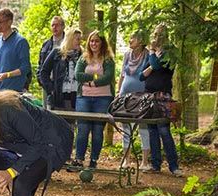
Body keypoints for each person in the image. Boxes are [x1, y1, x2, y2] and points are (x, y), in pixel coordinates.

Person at [140, 24, 183, 177]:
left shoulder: (169, 52)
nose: (157, 38)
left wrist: (152, 55)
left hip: (163, 96)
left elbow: (157, 66)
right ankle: (155, 164)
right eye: (156, 34)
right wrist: (151, 64)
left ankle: (174, 166)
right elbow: (141, 75)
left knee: (164, 130)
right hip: (149, 96)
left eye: (160, 35)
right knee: (152, 130)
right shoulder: (153, 55)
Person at [72, 30, 115, 169]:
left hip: (103, 98)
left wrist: (91, 80)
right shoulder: (83, 58)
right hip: (83, 97)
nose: (93, 43)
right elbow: (78, 75)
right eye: (91, 41)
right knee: (83, 129)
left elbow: (108, 77)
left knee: (97, 131)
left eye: (96, 41)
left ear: (102, 43)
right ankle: (79, 159)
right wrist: (96, 77)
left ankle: (94, 160)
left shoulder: (108, 59)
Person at [117, 31, 152, 170]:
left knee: (143, 127)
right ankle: (126, 160)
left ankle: (144, 162)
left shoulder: (148, 55)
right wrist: (119, 92)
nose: (130, 39)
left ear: (141, 40)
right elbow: (122, 74)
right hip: (125, 95)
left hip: (142, 96)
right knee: (126, 128)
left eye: (133, 37)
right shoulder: (127, 54)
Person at [0, 8, 31, 92]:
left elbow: (25, 68)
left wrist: (8, 75)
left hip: (15, 92)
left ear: (9, 22)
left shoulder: (21, 42)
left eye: (0, 22)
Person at [39, 27, 82, 110]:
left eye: (80, 39)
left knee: (73, 122)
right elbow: (43, 72)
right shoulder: (57, 53)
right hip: (59, 96)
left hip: (76, 96)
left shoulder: (82, 54)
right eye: (77, 39)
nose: (80, 42)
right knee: (58, 121)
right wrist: (51, 89)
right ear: (70, 39)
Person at [37, 16, 65, 108]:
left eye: (57, 25)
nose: (54, 27)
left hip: (62, 86)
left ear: (63, 26)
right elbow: (40, 65)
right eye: (52, 25)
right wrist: (42, 81)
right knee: (47, 112)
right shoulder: (46, 44)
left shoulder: (68, 43)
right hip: (47, 84)